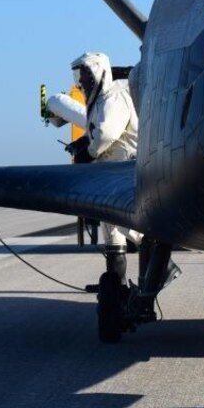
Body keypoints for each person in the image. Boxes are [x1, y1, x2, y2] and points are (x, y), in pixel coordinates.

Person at [62, 52, 140, 286]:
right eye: (80, 74)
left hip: (123, 172)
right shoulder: (100, 101)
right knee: (113, 235)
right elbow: (96, 130)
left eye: (85, 73)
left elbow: (106, 134)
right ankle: (116, 283)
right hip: (110, 174)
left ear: (99, 72)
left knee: (134, 230)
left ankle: (155, 272)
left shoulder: (114, 98)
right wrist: (83, 142)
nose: (82, 79)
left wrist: (88, 152)